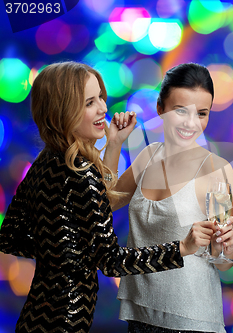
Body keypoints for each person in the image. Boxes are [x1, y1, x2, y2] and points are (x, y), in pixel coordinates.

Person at [0, 61, 209, 333]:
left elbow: (10, 236)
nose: (102, 108)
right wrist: (182, 248)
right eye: (89, 102)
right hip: (66, 320)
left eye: (100, 96)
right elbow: (111, 262)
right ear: (63, 111)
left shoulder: (46, 162)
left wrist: (62, 249)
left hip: (34, 316)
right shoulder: (81, 174)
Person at [106, 63, 233, 333]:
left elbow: (225, 262)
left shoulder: (217, 170)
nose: (191, 123)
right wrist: (115, 143)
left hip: (190, 319)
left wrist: (225, 246)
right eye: (181, 111)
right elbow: (105, 203)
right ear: (160, 109)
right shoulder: (148, 155)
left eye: (202, 113)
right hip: (140, 312)